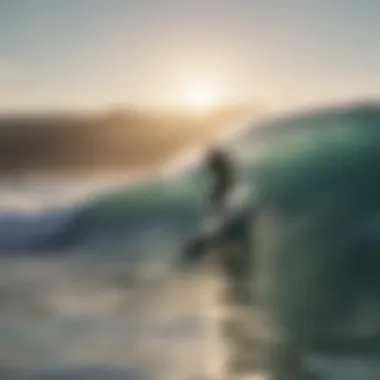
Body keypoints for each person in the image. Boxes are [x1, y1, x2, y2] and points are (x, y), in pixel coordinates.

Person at [205, 145, 234, 220]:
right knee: (217, 197)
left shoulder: (219, 163)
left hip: (225, 181)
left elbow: (212, 165)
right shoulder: (220, 163)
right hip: (225, 180)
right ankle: (220, 212)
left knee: (217, 197)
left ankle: (220, 213)